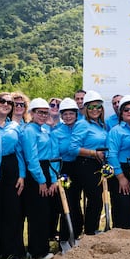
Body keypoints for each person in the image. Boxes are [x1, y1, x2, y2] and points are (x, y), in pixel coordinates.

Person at [0, 92, 26, 259]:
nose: (6, 104)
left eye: (9, 102)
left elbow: (20, 152)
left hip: (10, 167)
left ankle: (12, 252)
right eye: (2, 101)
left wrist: (22, 175)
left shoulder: (15, 126)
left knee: (12, 210)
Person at [21, 98, 58, 259]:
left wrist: (52, 179)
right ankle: (37, 251)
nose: (43, 115)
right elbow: (31, 158)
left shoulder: (44, 130)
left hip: (46, 170)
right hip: (36, 173)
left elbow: (51, 155)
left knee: (45, 212)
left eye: (46, 112)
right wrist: (41, 180)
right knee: (37, 213)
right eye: (40, 112)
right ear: (31, 113)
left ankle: (41, 247)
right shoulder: (29, 130)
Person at [70, 91, 109, 235]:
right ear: (86, 108)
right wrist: (93, 153)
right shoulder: (82, 124)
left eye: (98, 107)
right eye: (91, 107)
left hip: (97, 165)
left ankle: (91, 229)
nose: (95, 110)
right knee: (95, 200)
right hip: (85, 164)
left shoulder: (101, 125)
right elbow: (73, 148)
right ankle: (89, 232)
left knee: (97, 200)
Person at [106, 95, 130, 228]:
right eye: (126, 110)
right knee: (123, 206)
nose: (129, 112)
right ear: (121, 112)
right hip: (122, 170)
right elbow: (111, 154)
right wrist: (120, 177)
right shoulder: (116, 131)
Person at [52, 98, 83, 246]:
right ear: (61, 116)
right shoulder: (56, 132)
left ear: (76, 114)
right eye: (65, 114)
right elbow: (55, 156)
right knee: (66, 203)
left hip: (78, 168)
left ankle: (76, 234)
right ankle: (64, 238)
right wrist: (56, 176)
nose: (68, 116)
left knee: (76, 202)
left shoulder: (80, 128)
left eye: (71, 113)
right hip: (64, 169)